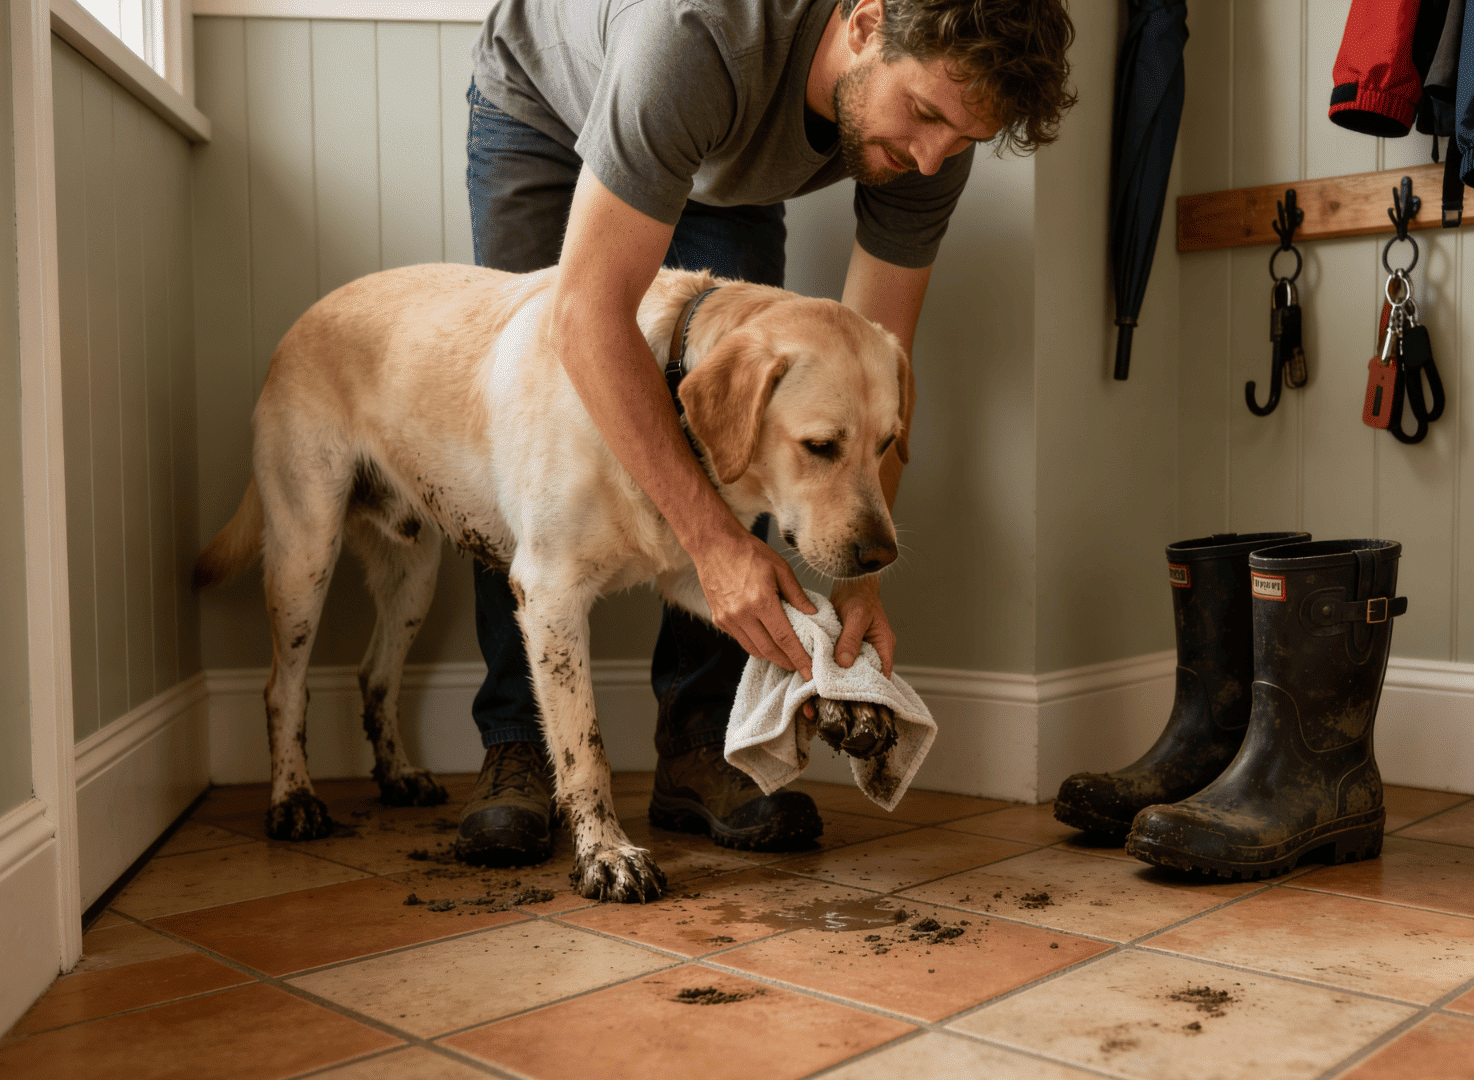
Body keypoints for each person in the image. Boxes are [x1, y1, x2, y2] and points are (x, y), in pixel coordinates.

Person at [453, 0, 1076, 865]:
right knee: (532, 437)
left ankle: (701, 744)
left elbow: (869, 374)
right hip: (547, 105)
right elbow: (585, 319)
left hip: (729, 153)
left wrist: (858, 584)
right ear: (866, 24)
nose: (933, 158)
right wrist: (710, 545)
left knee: (743, 424)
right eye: (926, 115)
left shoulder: (936, 135)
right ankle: (518, 742)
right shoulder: (694, 36)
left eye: (963, 139)